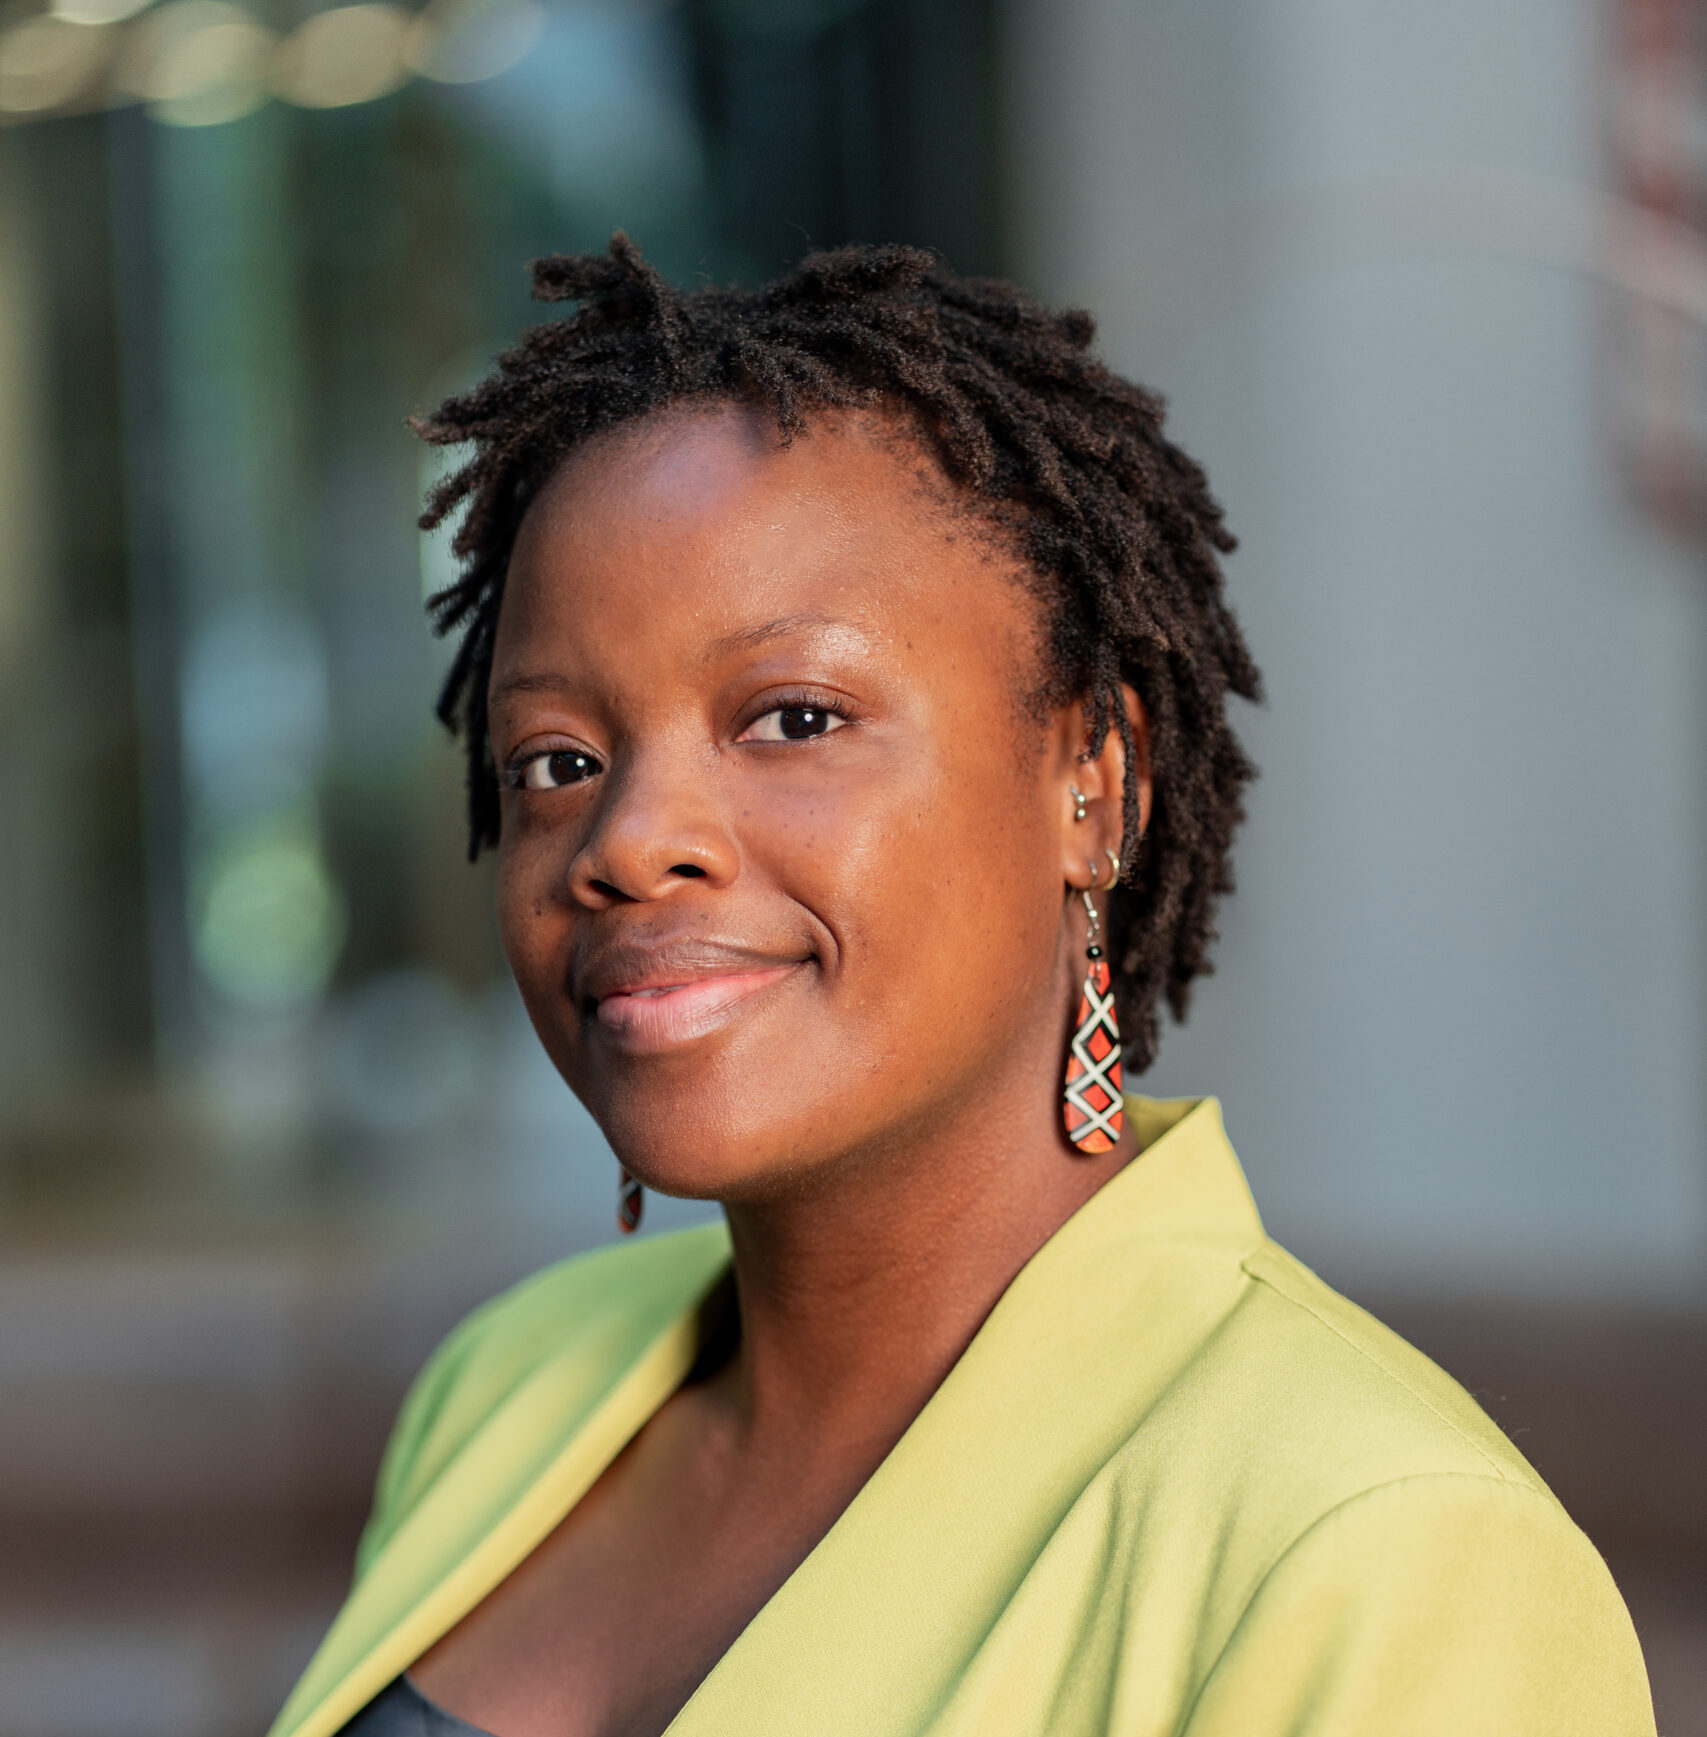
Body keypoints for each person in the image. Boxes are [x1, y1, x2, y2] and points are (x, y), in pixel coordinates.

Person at [269, 237, 1654, 1737]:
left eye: (795, 718)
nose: (627, 841)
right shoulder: (508, 1386)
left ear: (1092, 789)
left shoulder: (1377, 1548)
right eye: (556, 760)